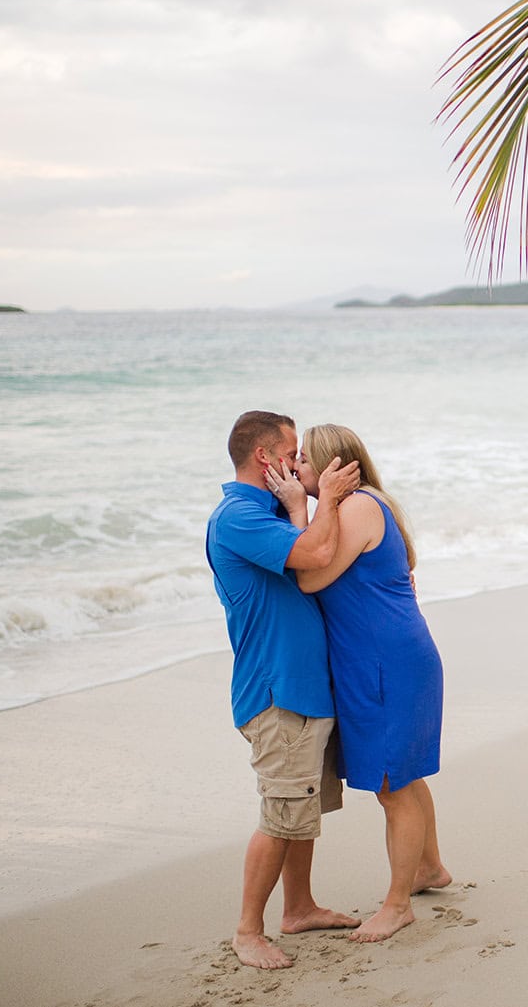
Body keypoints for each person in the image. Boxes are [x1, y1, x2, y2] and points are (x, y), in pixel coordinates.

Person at [265, 422, 451, 944]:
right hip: (384, 659)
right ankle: (429, 869)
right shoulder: (361, 504)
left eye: (304, 459)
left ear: (331, 469)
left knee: (393, 787)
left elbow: (311, 575)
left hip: (386, 664)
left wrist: (304, 507)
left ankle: (397, 906)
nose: (295, 466)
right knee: (405, 778)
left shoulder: (356, 507)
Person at [205, 410, 362, 969]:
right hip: (277, 691)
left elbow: (326, 561)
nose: (301, 462)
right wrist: (317, 503)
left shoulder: (271, 508)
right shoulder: (239, 518)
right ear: (266, 458)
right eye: (293, 452)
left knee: (304, 808)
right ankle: (248, 930)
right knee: (281, 812)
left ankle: (298, 908)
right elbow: (314, 556)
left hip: (307, 687)